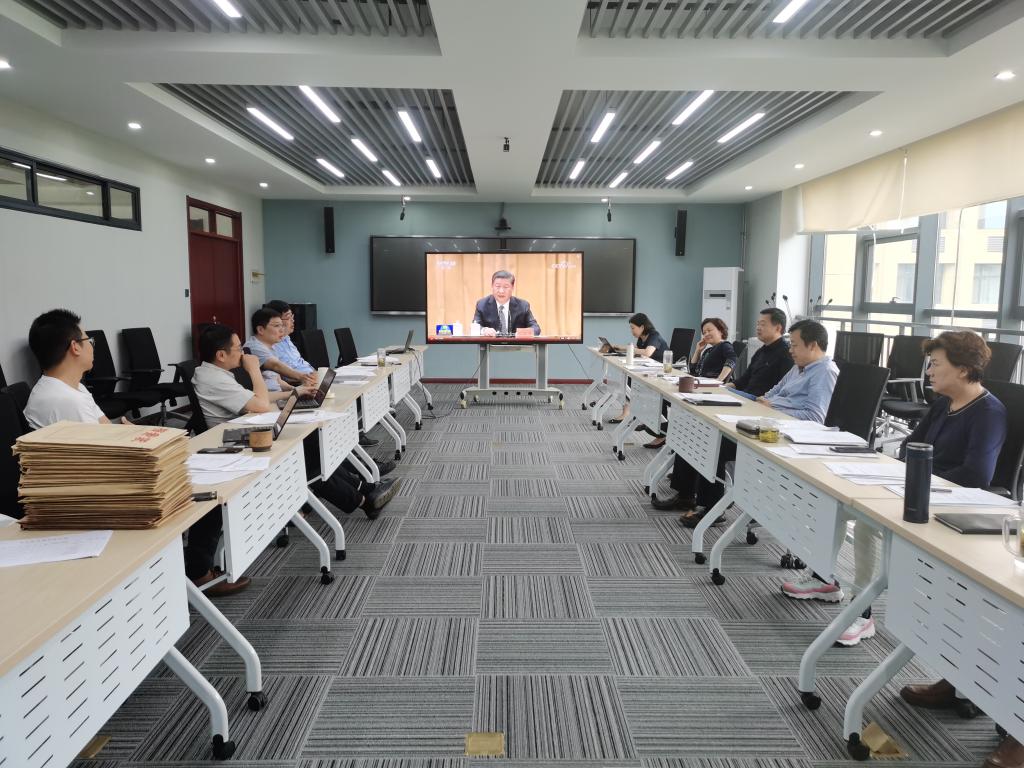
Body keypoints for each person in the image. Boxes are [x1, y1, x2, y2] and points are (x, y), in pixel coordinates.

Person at [782, 331, 1007, 649]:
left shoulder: (989, 413)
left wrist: (915, 480)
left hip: (953, 503)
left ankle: (862, 611)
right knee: (837, 505)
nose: (928, 371)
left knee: (866, 524)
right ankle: (825, 578)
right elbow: (909, 446)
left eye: (935, 364)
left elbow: (975, 476)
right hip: (915, 489)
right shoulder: (944, 404)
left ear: (963, 369)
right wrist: (904, 478)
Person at [23, 310, 250, 597]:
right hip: (89, 498)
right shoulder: (61, 399)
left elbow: (108, 434)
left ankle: (191, 566)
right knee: (205, 491)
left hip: (99, 480)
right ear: (75, 347)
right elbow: (106, 458)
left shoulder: (72, 388)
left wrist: (136, 437)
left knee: (199, 477)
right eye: (89, 340)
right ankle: (197, 572)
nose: (92, 346)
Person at [193, 324, 399, 521]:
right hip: (234, 442)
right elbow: (261, 404)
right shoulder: (213, 379)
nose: (243, 354)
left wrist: (295, 392)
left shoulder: (216, 373)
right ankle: (364, 500)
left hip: (245, 430)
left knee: (312, 445)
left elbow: (254, 399)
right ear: (221, 355)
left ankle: (365, 491)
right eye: (238, 349)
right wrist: (254, 370)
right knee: (306, 456)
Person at [654, 319, 837, 528]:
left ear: (812, 345)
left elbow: (814, 418)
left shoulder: (824, 372)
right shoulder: (799, 368)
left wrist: (772, 407)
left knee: (712, 442)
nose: (791, 350)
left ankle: (711, 508)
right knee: (697, 429)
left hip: (780, 433)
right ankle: (685, 495)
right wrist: (765, 402)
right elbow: (774, 392)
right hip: (764, 417)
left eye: (795, 345)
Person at [263, 299, 380, 450]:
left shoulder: (287, 340)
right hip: (303, 384)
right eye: (288, 317)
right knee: (344, 399)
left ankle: (354, 436)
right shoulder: (271, 346)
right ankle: (349, 441)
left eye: (292, 317)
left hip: (312, 379)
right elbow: (283, 373)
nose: (293, 321)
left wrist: (315, 375)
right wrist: (306, 381)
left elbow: (299, 363)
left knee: (355, 390)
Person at [604, 313, 669, 427]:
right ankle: (627, 413)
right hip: (649, 368)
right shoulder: (641, 338)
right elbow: (638, 352)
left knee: (629, 381)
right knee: (627, 378)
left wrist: (626, 348)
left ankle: (628, 413)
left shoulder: (654, 335)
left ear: (642, 327)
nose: (631, 331)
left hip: (661, 370)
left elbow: (647, 353)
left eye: (633, 328)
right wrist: (620, 350)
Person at [725, 308, 793, 397]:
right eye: (758, 324)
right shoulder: (761, 351)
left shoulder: (787, 354)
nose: (758, 328)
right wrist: (722, 387)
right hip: (746, 397)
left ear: (778, 328)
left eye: (763, 324)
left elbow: (784, 390)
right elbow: (743, 380)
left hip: (761, 401)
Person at [245, 307, 316, 392]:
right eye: (277, 326)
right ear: (260, 330)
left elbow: (278, 381)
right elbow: (275, 365)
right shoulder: (253, 347)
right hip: (268, 397)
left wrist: (297, 391)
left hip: (279, 394)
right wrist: (301, 376)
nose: (282, 330)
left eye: (282, 325)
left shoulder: (270, 347)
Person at [473, 270, 541, 337]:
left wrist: (522, 333)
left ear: (512, 288)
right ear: (492, 286)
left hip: (516, 344)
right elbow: (475, 326)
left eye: (506, 287)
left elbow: (536, 328)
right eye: (497, 286)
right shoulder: (482, 305)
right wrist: (484, 330)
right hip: (491, 344)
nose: (501, 291)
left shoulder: (523, 306)